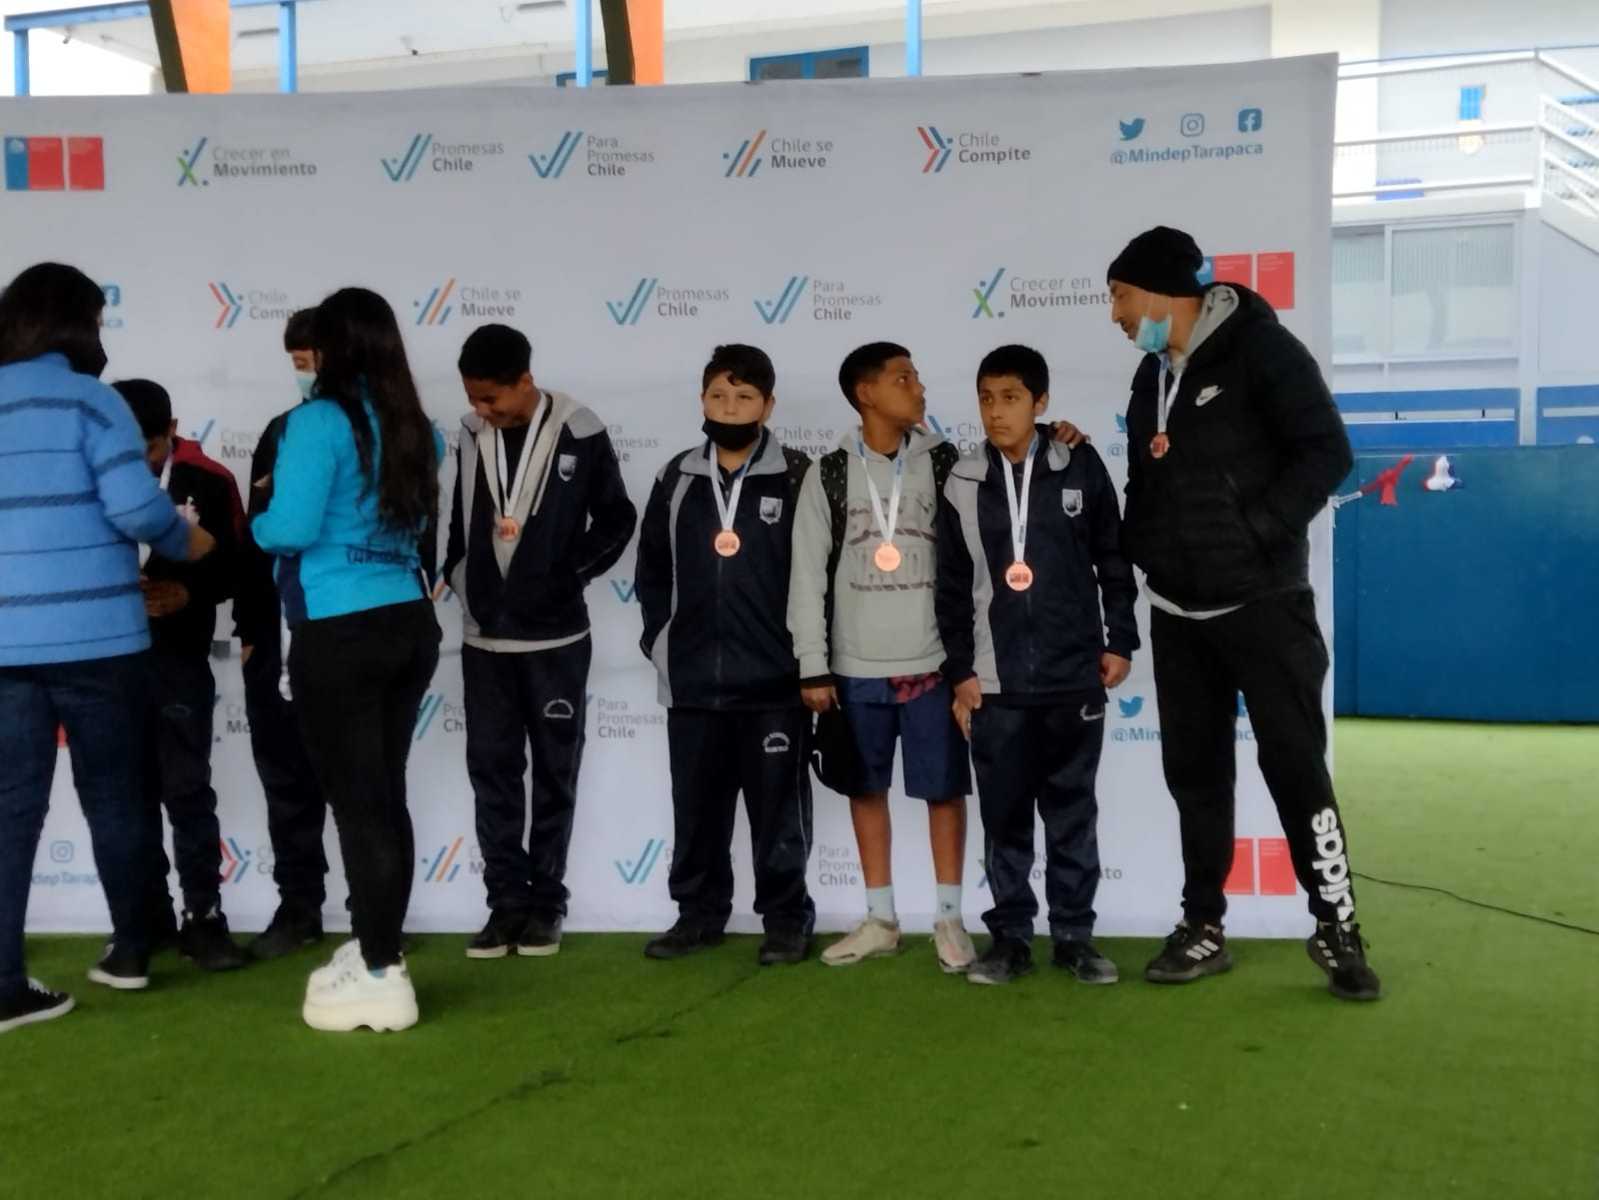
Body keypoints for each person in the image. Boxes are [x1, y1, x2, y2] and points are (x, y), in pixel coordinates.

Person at [1103, 225, 1381, 1000]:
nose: (1115, 314)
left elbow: (1326, 452)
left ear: (1161, 291)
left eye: (1120, 296)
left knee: (1294, 767)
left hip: (1263, 604)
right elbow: (1146, 477)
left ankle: (1336, 927)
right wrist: (1144, 545)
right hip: (1176, 610)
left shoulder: (1263, 349)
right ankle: (1201, 925)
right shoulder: (1150, 376)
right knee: (1195, 777)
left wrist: (1257, 530)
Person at [0, 262, 215, 1033]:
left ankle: (4, 985)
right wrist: (187, 542)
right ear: (75, 325)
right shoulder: (94, 403)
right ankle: (130, 952)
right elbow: (135, 509)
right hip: (99, 640)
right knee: (116, 796)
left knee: (10, 811)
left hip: (4, 645)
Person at [252, 287, 443, 1032]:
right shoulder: (419, 428)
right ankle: (377, 949)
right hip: (407, 619)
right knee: (384, 794)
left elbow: (289, 529)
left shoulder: (316, 422)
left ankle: (380, 970)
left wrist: (260, 513)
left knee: (360, 804)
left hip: (339, 626)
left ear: (332, 348)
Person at [935, 345, 1138, 986]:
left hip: (1073, 674)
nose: (996, 412)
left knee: (1072, 812)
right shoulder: (963, 480)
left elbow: (1113, 556)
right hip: (994, 682)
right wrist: (960, 672)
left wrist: (1121, 639)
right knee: (1004, 818)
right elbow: (950, 586)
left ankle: (1075, 937)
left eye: (1011, 398)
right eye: (986, 399)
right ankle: (1011, 940)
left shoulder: (1080, 464)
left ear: (1040, 402)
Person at [441, 324, 635, 961]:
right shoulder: (471, 433)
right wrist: (459, 574)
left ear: (526, 381)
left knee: (555, 774)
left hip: (556, 641)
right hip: (485, 643)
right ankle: (505, 906)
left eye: (491, 398)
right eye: (473, 397)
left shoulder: (579, 429)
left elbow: (617, 518)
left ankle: (547, 905)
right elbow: (461, 517)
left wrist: (566, 577)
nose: (481, 409)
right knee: (492, 775)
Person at [787, 342, 976, 972]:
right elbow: (806, 577)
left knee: (943, 792)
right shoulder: (829, 473)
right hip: (854, 668)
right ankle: (881, 919)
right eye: (903, 378)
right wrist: (813, 666)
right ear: (866, 393)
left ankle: (949, 919)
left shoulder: (947, 464)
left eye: (916, 376)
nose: (918, 388)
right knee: (865, 790)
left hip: (932, 664)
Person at [635, 345, 816, 965]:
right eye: (718, 395)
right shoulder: (677, 477)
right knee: (696, 812)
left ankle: (786, 920)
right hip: (692, 683)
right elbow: (652, 569)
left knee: (778, 815)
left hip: (774, 685)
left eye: (743, 397)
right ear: (702, 400)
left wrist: (806, 660)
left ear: (769, 405)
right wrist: (660, 640)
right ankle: (698, 914)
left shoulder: (799, 476)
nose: (729, 407)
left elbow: (819, 575)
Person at [114, 379, 249, 972]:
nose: (138, 462)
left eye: (147, 448)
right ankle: (145, 919)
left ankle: (205, 917)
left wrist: (187, 593)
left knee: (187, 790)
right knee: (126, 795)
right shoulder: (91, 476)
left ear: (171, 431)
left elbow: (237, 567)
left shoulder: (209, 480)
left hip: (178, 661)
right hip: (109, 662)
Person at [234, 310, 333, 960]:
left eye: (310, 361)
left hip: (352, 630)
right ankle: (299, 908)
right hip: (280, 631)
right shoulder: (281, 432)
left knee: (364, 782)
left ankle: (377, 918)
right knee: (286, 778)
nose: (303, 374)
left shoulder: (388, 435)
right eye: (295, 363)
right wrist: (250, 630)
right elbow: (255, 537)